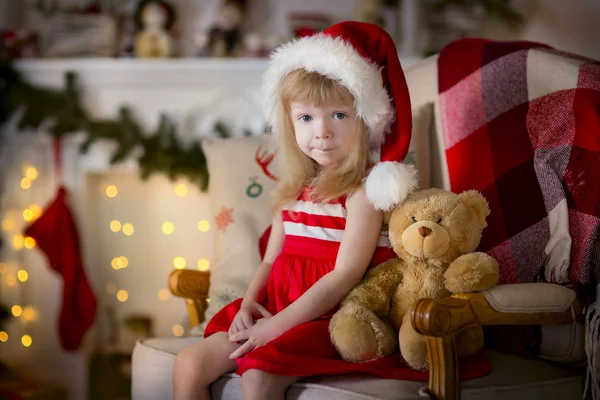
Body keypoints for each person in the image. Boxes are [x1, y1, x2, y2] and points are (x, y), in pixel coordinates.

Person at [173, 21, 419, 400]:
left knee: (258, 377)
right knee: (188, 363)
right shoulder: (293, 191)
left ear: (366, 120)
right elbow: (271, 261)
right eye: (306, 118)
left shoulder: (363, 192)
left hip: (322, 317)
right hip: (273, 306)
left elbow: (345, 274)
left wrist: (278, 327)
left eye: (338, 115)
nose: (320, 132)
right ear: (290, 123)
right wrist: (251, 302)